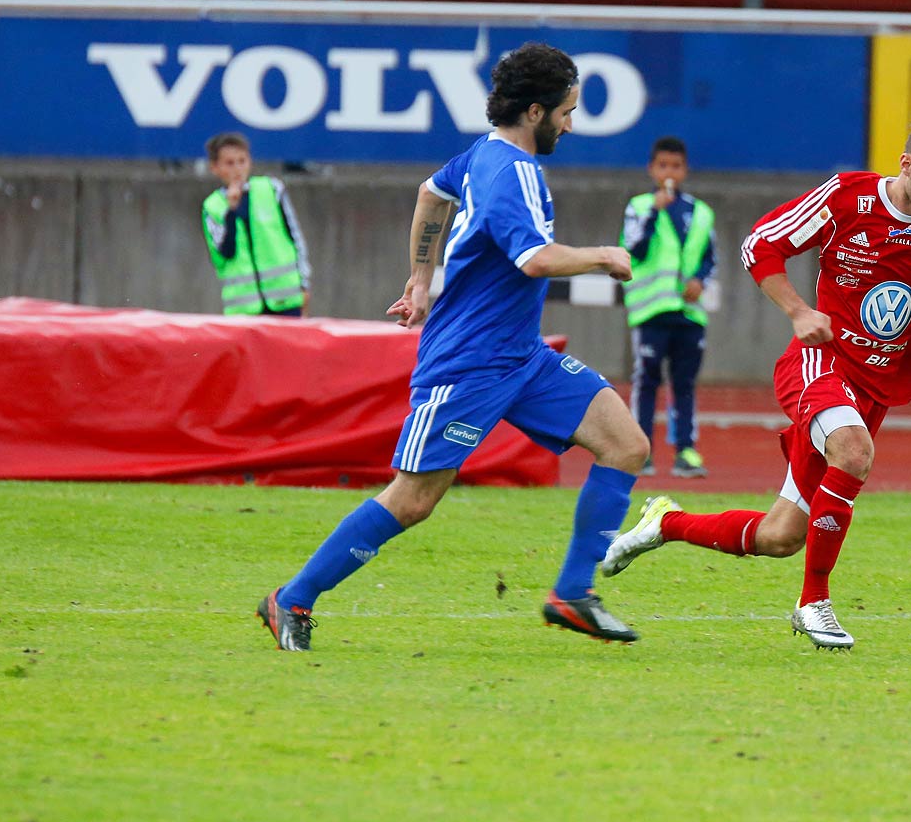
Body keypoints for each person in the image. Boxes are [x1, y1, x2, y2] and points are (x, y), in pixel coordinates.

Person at [256, 42, 651, 652]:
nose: (572, 124)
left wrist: (420, 279)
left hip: (522, 355)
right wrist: (604, 256)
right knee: (414, 499)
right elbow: (535, 259)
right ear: (537, 112)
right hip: (468, 362)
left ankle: (572, 595)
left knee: (626, 444)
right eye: (568, 111)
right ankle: (292, 598)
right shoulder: (509, 171)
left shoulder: (481, 155)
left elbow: (429, 194)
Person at [599, 108, 911, 650]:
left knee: (779, 537)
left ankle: (665, 523)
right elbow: (760, 245)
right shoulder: (847, 197)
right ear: (907, 163)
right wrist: (798, 310)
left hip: (876, 389)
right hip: (821, 365)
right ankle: (813, 604)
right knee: (854, 452)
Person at [621, 136, 717, 478]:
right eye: (663, 166)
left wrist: (700, 280)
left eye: (675, 166)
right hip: (651, 310)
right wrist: (653, 212)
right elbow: (635, 250)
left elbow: (709, 257)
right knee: (646, 380)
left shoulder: (701, 212)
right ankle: (640, 450)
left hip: (689, 313)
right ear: (651, 169)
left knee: (685, 384)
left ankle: (686, 452)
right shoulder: (639, 206)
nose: (669, 172)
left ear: (685, 169)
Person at [201, 133, 312, 317]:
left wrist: (304, 283)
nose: (237, 169)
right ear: (215, 168)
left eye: (242, 161)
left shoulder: (271, 189)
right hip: (244, 307)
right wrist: (231, 211)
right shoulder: (213, 206)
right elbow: (225, 252)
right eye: (229, 163)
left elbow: (295, 237)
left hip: (285, 299)